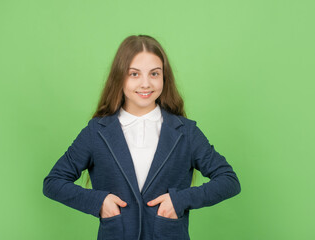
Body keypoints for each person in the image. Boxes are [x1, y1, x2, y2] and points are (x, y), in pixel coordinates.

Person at [43, 34, 241, 240]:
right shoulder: (97, 131)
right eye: (134, 74)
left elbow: (229, 180)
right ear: (120, 77)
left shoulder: (185, 131)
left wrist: (180, 200)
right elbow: (53, 182)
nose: (146, 83)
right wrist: (99, 202)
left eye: (154, 73)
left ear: (164, 77)